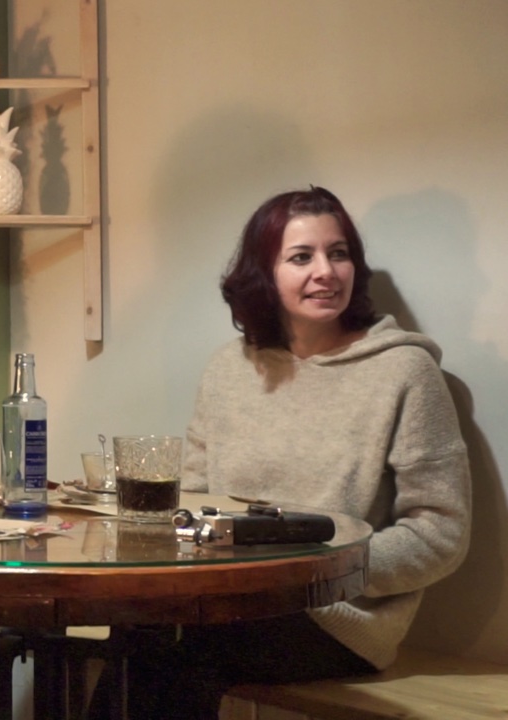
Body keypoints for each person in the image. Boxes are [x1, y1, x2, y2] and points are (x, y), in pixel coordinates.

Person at [94, 186, 471, 718]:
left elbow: (441, 533)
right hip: (224, 598)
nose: (326, 271)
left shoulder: (404, 372)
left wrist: (314, 572)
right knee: (134, 624)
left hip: (336, 618)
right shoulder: (230, 369)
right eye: (301, 257)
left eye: (338, 253)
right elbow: (197, 495)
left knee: (173, 653)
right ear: (263, 275)